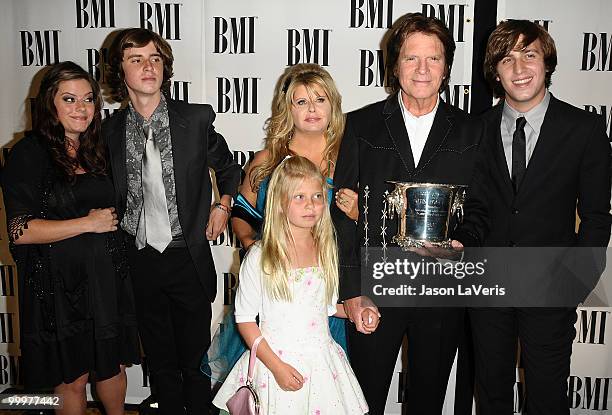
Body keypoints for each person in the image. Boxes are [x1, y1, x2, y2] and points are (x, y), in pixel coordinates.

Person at [331, 13, 486, 414]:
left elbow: (484, 207)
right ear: (395, 65)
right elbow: (341, 216)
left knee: (427, 400)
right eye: (411, 58)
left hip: (441, 287)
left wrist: (465, 241)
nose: (422, 69)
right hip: (375, 287)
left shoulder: (474, 130)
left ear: (447, 66)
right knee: (364, 400)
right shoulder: (361, 125)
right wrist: (351, 291)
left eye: (433, 59)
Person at [460, 20, 611, 415]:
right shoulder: (476, 130)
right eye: (506, 59)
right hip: (487, 289)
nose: (519, 68)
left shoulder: (585, 129)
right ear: (495, 71)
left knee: (547, 398)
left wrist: (572, 285)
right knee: (491, 395)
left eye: (530, 55)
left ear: (546, 63)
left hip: (551, 291)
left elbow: (596, 217)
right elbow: (472, 207)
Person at [103, 28, 241, 415]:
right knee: (158, 354)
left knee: (195, 355)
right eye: (136, 59)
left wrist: (223, 205)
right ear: (120, 72)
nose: (148, 67)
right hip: (137, 257)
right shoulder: (108, 132)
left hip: (186, 255)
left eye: (155, 59)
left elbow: (229, 169)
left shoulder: (194, 119)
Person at [2, 61, 140, 415]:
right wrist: (87, 223)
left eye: (88, 99)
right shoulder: (28, 153)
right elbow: (20, 231)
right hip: (58, 290)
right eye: (69, 99)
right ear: (50, 103)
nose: (81, 108)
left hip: (107, 279)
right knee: (72, 378)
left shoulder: (101, 149)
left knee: (112, 367)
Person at [213, 156, 376, 414]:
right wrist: (277, 367)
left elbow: (328, 307)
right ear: (279, 203)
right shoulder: (261, 255)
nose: (310, 205)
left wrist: (359, 311)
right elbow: (244, 319)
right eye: (299, 197)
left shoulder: (327, 250)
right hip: (273, 365)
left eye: (317, 196)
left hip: (322, 364)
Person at [231, 63, 355, 351]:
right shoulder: (266, 160)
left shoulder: (350, 160)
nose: (312, 108)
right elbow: (241, 213)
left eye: (320, 100)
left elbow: (372, 223)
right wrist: (251, 243)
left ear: (333, 105)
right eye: (302, 101)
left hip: (330, 293)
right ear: (288, 109)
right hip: (278, 294)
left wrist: (357, 212)